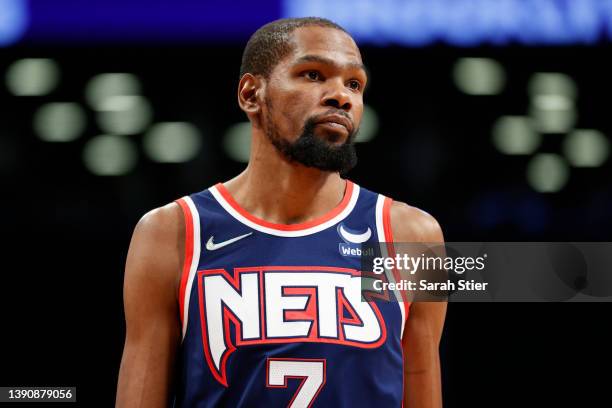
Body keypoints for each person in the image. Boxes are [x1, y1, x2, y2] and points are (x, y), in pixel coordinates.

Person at [116, 17, 446, 408]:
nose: (341, 96)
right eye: (313, 74)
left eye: (354, 84)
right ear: (251, 93)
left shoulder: (408, 234)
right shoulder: (172, 231)